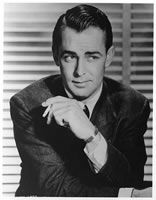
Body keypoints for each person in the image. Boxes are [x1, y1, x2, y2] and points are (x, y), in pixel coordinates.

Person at [10, 4, 152, 197]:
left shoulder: (133, 105)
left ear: (108, 57)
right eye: (69, 57)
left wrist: (91, 136)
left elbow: (129, 179)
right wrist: (130, 195)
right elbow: (53, 187)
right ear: (55, 55)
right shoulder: (28, 104)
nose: (80, 71)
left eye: (92, 57)